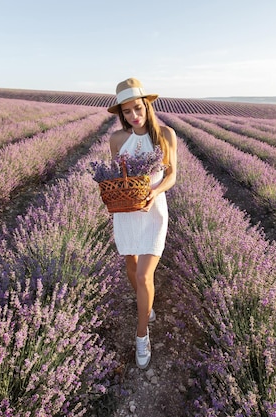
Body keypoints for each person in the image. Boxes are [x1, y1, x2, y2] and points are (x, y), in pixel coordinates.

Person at [107, 78, 178, 369]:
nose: (134, 115)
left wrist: (155, 191)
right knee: (131, 269)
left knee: (144, 277)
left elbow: (171, 176)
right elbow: (115, 177)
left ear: (147, 106)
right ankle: (144, 308)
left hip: (154, 212)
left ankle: (141, 335)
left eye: (137, 108)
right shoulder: (116, 140)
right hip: (125, 213)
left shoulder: (165, 135)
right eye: (127, 112)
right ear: (121, 114)